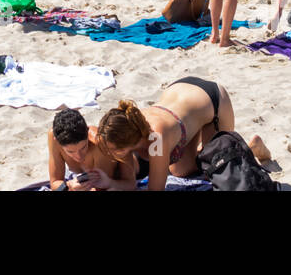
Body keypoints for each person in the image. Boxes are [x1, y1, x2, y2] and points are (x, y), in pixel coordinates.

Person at [93, 81, 268, 192]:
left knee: (215, 169)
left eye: (114, 150)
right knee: (180, 172)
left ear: (129, 142)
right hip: (180, 93)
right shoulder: (130, 121)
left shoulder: (156, 138)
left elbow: (156, 189)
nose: (110, 154)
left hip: (213, 99)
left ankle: (252, 148)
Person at [47, 108, 134, 191]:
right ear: (56, 139)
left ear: (87, 132)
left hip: (136, 166)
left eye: (83, 147)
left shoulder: (100, 144)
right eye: (70, 151)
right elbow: (54, 183)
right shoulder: (53, 137)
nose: (79, 156)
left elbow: (130, 184)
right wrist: (69, 185)